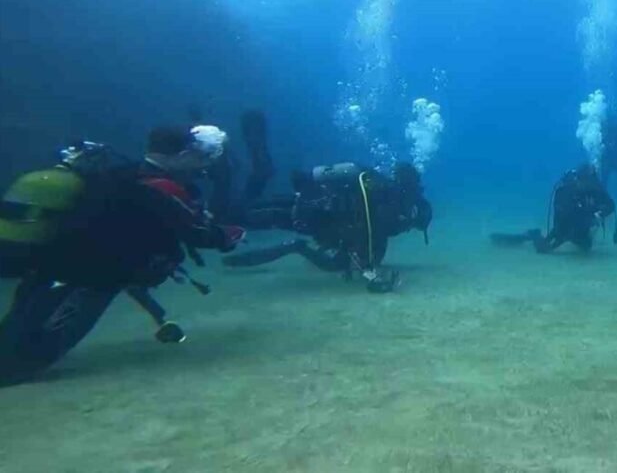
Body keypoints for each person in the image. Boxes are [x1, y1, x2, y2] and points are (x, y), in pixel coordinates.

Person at [0, 126, 245, 386]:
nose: (203, 165)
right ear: (183, 154)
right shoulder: (162, 186)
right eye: (201, 156)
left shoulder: (121, 174)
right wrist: (231, 234)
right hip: (92, 276)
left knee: (20, 322)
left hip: (50, 264)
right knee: (35, 351)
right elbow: (199, 233)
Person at [223, 161, 432, 293]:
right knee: (265, 217)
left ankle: (218, 217)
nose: (407, 227)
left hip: (315, 201)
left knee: (263, 211)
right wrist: (366, 264)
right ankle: (294, 246)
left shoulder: (381, 188)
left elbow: (369, 235)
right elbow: (367, 232)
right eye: (413, 224)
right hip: (320, 218)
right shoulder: (392, 210)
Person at [491, 164, 617, 254]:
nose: (589, 185)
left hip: (581, 225)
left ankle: (577, 237)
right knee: (543, 249)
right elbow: (563, 218)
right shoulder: (567, 190)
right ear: (579, 179)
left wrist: (599, 215)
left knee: (586, 247)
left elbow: (611, 205)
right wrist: (558, 238)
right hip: (564, 227)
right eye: (585, 181)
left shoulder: (596, 188)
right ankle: (534, 234)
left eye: (591, 181)